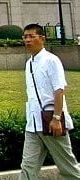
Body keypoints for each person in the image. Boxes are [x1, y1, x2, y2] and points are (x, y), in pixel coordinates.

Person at [20, 23, 80, 179]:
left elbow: (59, 90)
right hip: (33, 124)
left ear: (42, 39)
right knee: (28, 167)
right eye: (25, 37)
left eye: (31, 36)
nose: (28, 40)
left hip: (52, 122)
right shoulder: (29, 64)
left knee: (68, 168)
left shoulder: (51, 60)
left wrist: (56, 118)